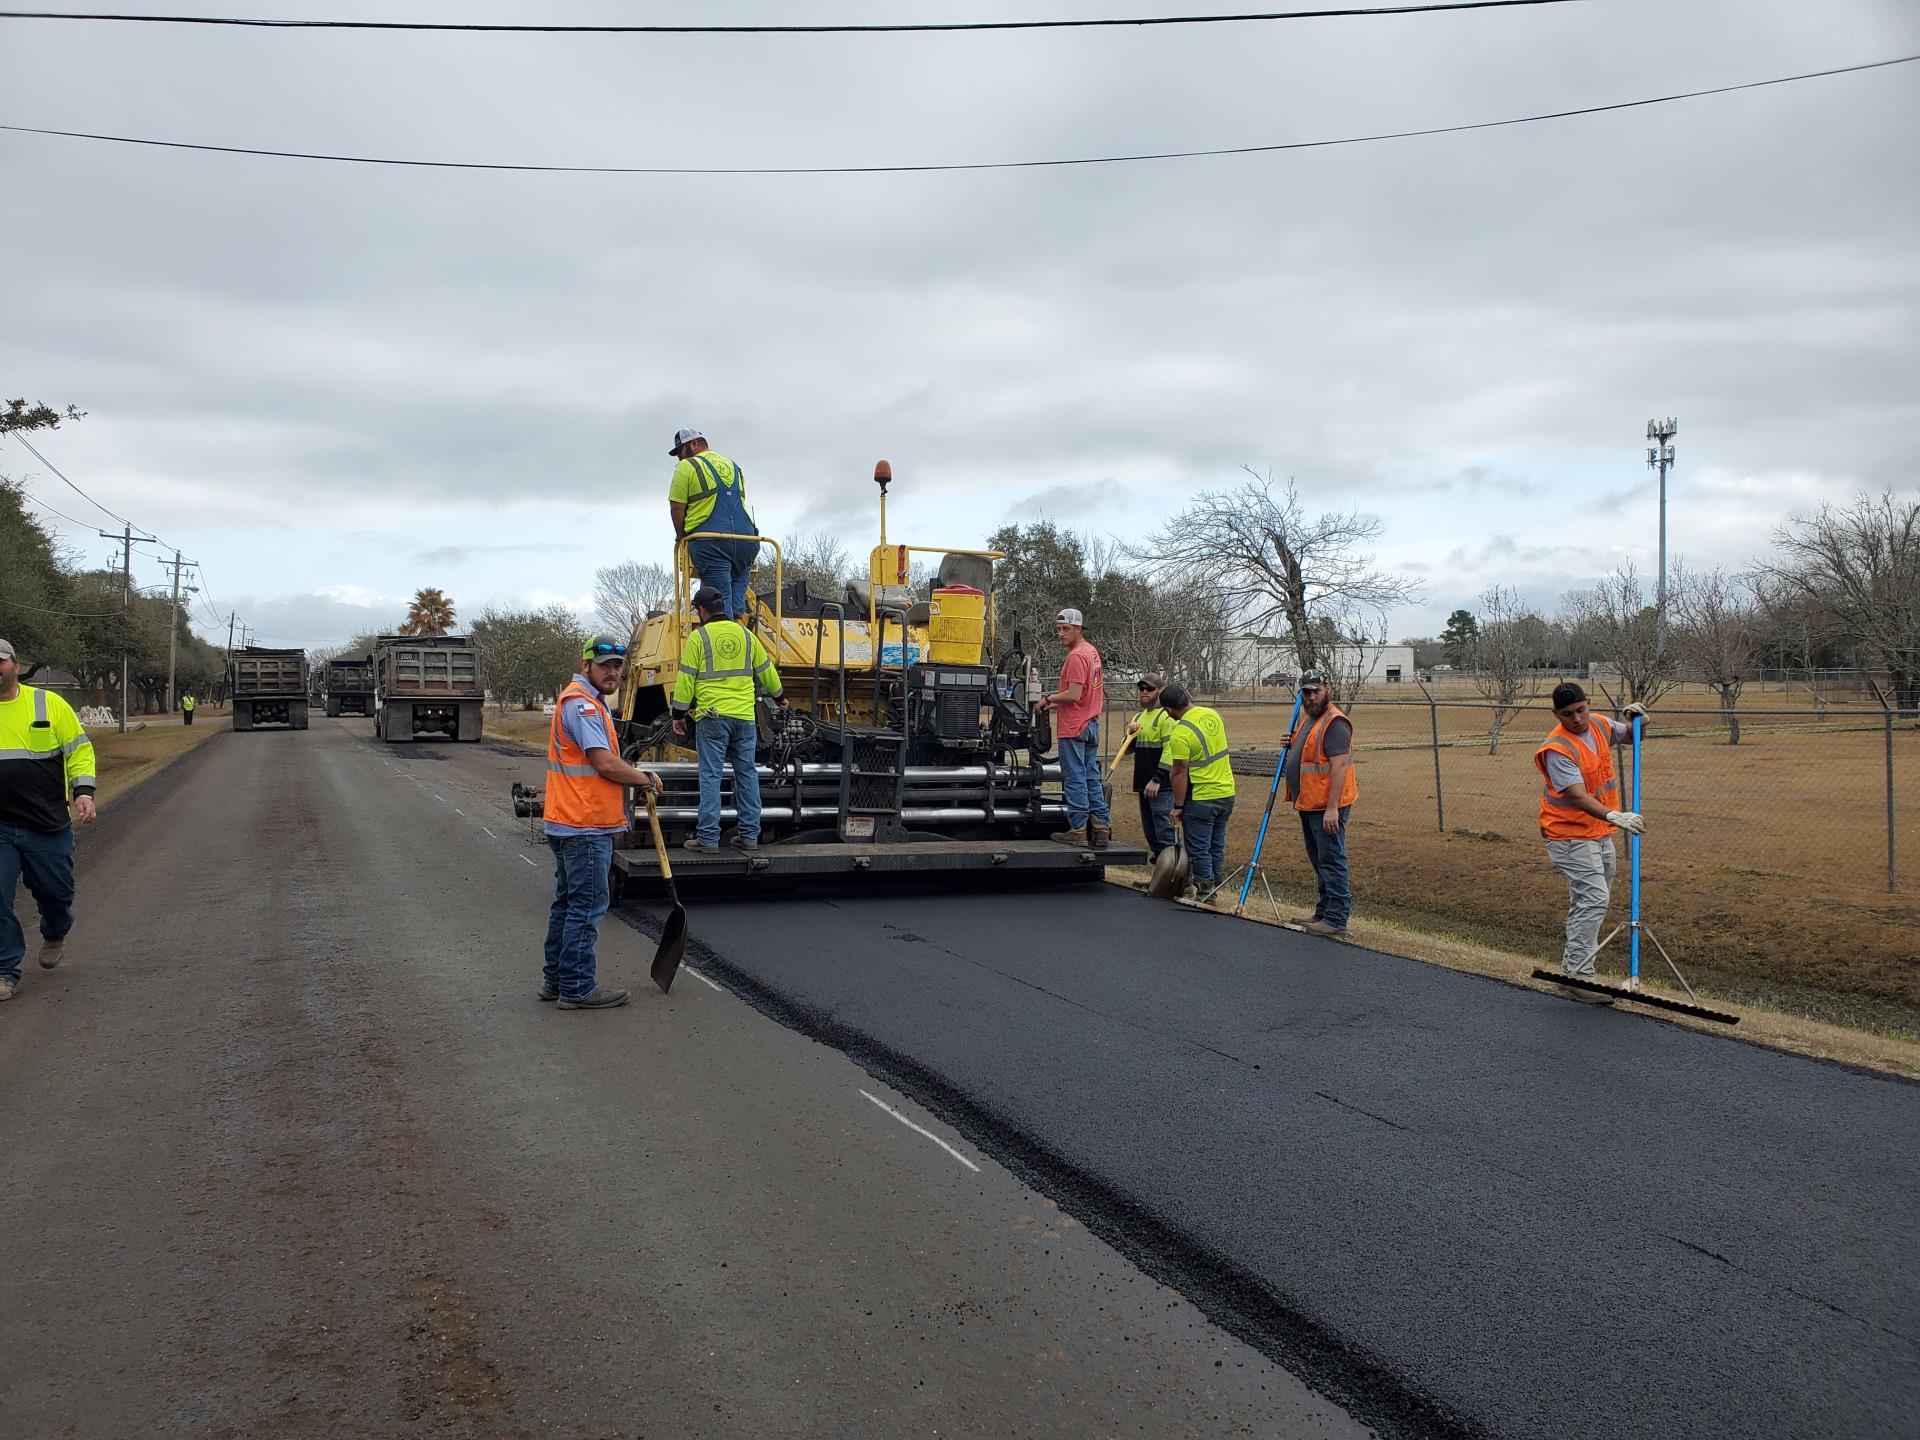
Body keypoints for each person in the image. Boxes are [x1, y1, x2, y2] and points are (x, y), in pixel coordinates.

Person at [542, 635, 664, 1011]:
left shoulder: (583, 702)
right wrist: (643, 778)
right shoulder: (584, 708)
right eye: (604, 665)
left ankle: (555, 981)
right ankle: (577, 989)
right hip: (586, 826)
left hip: (568, 821)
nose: (612, 672)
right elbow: (605, 763)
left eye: (617, 666)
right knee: (587, 908)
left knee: (566, 904)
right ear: (586, 666)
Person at [1534, 682, 1647, 1002]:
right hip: (1568, 834)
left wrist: (1639, 722)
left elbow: (1631, 736)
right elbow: (1577, 795)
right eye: (1568, 714)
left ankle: (1571, 974)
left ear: (1588, 704)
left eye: (1581, 709)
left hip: (1596, 832)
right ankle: (1579, 979)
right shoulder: (1557, 748)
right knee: (1594, 898)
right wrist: (1615, 816)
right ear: (1556, 714)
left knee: (1588, 901)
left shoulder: (1598, 723)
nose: (1578, 719)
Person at [0, 639, 97, 1003]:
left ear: (15, 664)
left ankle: (55, 932)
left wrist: (83, 791)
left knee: (56, 896)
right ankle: (5, 970)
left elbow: (80, 751)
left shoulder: (48, 703)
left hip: (46, 823)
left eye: (0, 661)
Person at [671, 587, 787, 854]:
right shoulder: (747, 636)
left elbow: (686, 679)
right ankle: (749, 836)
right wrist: (780, 698)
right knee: (746, 773)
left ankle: (708, 839)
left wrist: (678, 714)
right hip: (745, 718)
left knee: (710, 776)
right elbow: (766, 671)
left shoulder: (698, 638)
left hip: (712, 717)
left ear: (701, 610)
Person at [1283, 673, 1359, 937]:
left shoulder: (1335, 723)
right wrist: (1291, 742)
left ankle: (1337, 918)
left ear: (1328, 689)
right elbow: (1309, 751)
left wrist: (1332, 808)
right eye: (1306, 692)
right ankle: (1323, 911)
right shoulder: (1309, 718)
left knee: (1331, 859)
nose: (1311, 696)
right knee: (1319, 859)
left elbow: (1338, 768)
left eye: (1316, 691)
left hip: (1326, 806)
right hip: (1308, 802)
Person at [667, 427, 760, 620]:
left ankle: (724, 635)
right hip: (747, 540)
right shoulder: (733, 466)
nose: (680, 459)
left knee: (718, 600)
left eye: (680, 452)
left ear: (694, 445)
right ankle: (738, 623)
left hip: (710, 541)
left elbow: (676, 508)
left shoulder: (686, 467)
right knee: (736, 597)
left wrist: (680, 537)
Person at [1037, 607, 1109, 848]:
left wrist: (1049, 699)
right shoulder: (1092, 652)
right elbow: (1086, 694)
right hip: (1090, 722)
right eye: (1058, 629)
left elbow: (1074, 694)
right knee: (1091, 776)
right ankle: (1100, 828)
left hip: (1074, 726)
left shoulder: (1077, 656)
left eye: (1066, 629)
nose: (1060, 633)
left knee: (1075, 777)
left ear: (1078, 629)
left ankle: (1077, 829)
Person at [1162, 684, 1235, 897]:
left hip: (1202, 796)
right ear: (1187, 697)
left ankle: (1206, 891)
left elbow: (1179, 772)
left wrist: (1177, 806)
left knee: (1199, 847)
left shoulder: (1180, 733)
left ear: (1168, 710)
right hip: (1226, 792)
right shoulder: (1213, 715)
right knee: (1216, 843)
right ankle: (1217, 884)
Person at [1126, 674, 1176, 861]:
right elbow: (1128, 749)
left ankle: (1177, 875)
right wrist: (1130, 735)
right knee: (1151, 832)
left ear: (1160, 691)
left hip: (1161, 787)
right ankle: (1162, 875)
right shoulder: (1139, 717)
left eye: (1150, 689)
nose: (1144, 692)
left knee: (1165, 831)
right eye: (1141, 689)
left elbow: (1170, 751)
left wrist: (1157, 779)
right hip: (1143, 786)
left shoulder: (1167, 716)